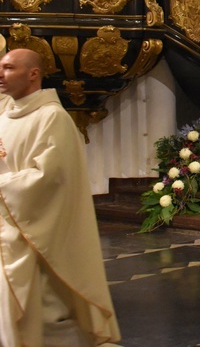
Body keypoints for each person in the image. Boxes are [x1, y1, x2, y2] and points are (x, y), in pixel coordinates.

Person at [0, 48, 120, 346]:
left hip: (40, 239)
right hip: (7, 233)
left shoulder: (52, 118)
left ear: (33, 74)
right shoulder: (5, 117)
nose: (0, 74)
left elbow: (50, 180)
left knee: (46, 317)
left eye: (9, 68)